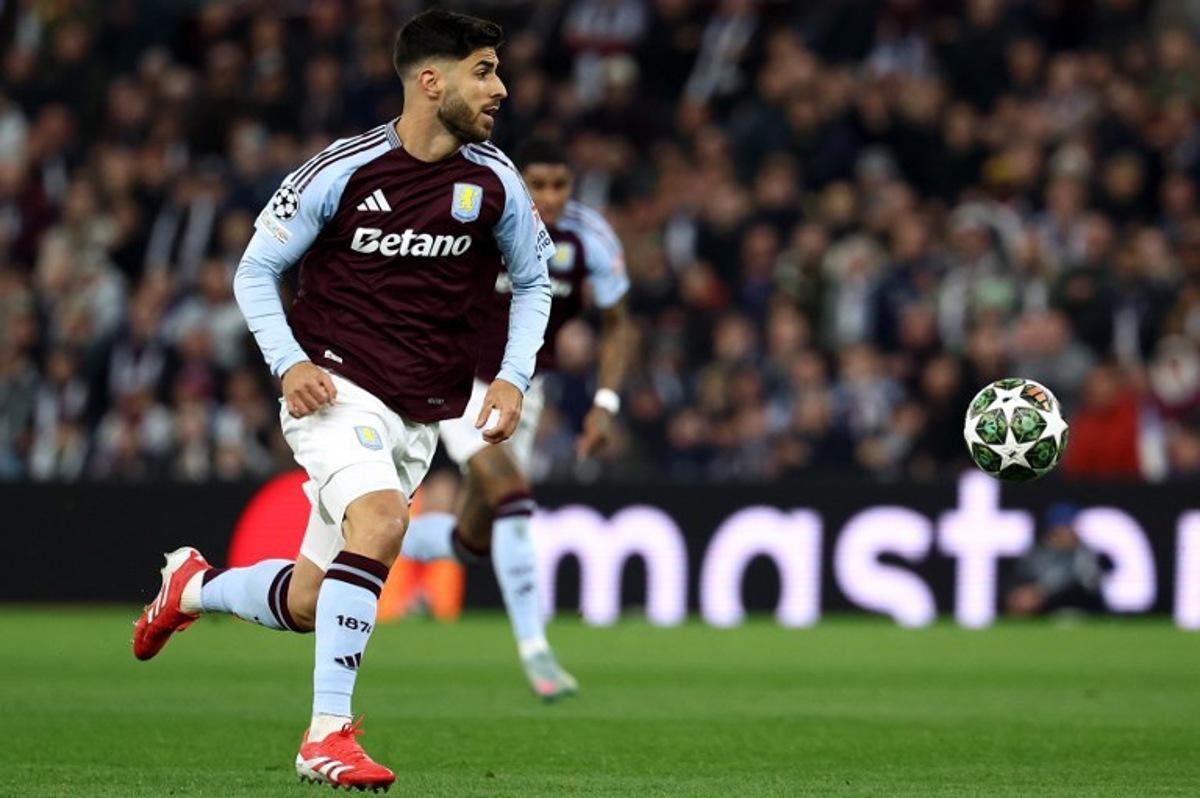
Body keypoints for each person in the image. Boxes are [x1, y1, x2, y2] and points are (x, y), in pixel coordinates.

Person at [131, 10, 553, 790]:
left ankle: (190, 586)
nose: (500, 89)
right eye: (484, 71)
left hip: (419, 411)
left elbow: (533, 282)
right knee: (385, 521)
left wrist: (512, 376)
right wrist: (288, 363)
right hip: (334, 388)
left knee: (307, 601)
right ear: (432, 82)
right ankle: (327, 735)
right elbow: (255, 270)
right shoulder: (344, 169)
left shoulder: (495, 180)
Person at [399, 137, 634, 700]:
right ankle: (536, 651)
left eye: (560, 185)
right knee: (513, 495)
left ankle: (374, 537)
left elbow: (619, 323)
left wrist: (605, 404)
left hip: (525, 389)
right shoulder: (480, 219)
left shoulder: (590, 238)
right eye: (539, 184)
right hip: (456, 378)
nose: (549, 197)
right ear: (519, 182)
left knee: (473, 538)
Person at [1005, 503, 1105, 617]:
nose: (1066, 532)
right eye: (1062, 527)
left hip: (1080, 607)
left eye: (1069, 527)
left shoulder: (1085, 553)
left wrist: (1042, 591)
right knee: (1022, 598)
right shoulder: (1036, 554)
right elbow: (1019, 581)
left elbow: (1090, 585)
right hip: (1045, 610)